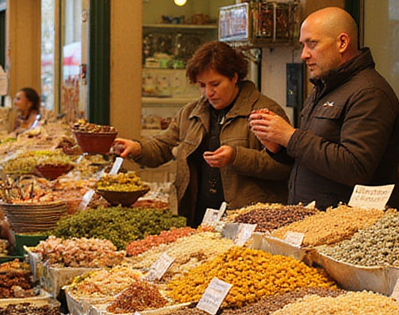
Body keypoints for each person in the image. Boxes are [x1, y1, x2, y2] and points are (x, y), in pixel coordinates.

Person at [113, 41, 291, 225]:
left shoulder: (264, 111)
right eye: (202, 86)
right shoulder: (190, 113)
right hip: (198, 216)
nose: (209, 93)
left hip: (247, 220)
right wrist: (136, 148)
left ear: (234, 77)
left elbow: (282, 167)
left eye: (215, 84)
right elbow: (163, 146)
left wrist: (236, 157)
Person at [248, 6, 399, 210]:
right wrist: (277, 145)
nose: (304, 55)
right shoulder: (324, 88)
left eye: (312, 44)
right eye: (303, 45)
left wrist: (290, 136)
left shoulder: (370, 93)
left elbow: (355, 167)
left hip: (350, 227)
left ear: (342, 42)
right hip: (312, 218)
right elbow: (313, 156)